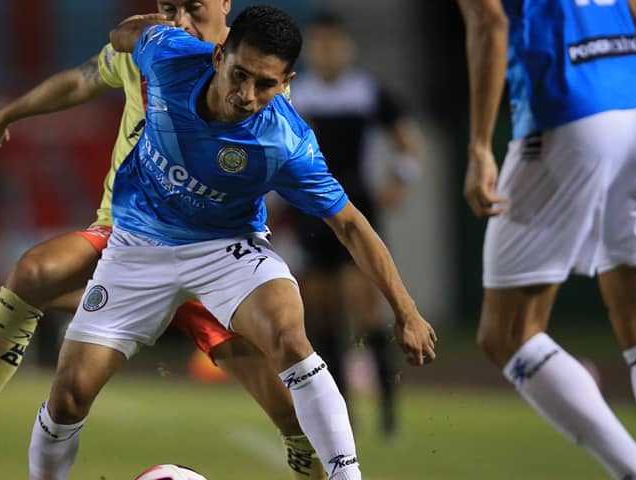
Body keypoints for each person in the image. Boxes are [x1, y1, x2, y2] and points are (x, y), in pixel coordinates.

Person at [0, 2, 327, 478]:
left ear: (224, 4)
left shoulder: (256, 91)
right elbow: (83, 78)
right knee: (35, 273)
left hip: (211, 254)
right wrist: (11, 113)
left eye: (193, 8)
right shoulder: (153, 50)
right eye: (167, 7)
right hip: (129, 239)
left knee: (293, 417)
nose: (179, 19)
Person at [28, 6, 436, 480]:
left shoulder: (285, 141)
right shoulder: (170, 56)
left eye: (266, 84)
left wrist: (406, 311)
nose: (247, 94)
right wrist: (127, 31)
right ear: (219, 55)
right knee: (70, 394)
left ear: (287, 83)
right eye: (239, 74)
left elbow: (351, 225)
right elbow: (128, 34)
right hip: (139, 243)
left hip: (226, 248)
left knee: (289, 335)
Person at [458, 0, 636, 477]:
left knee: (509, 334)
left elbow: (489, 19)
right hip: (634, 101)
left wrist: (480, 146)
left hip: (567, 111)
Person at [287, 11, 424, 437]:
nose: (328, 51)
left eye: (334, 43)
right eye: (320, 43)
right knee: (323, 316)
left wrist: (399, 182)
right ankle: (340, 413)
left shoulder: (368, 92)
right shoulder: (297, 93)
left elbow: (408, 145)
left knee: (365, 310)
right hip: (309, 210)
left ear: (347, 46)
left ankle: (388, 414)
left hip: (357, 208)